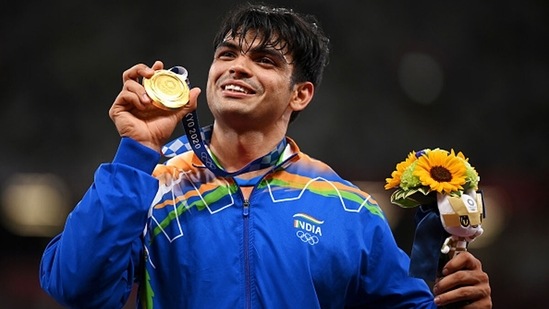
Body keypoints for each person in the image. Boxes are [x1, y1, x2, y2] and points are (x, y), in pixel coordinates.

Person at [39, 3, 491, 308]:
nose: (238, 66)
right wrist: (137, 148)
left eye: (265, 60)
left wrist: (462, 301)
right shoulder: (150, 181)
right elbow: (76, 286)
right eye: (227, 53)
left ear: (301, 95)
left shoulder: (345, 207)